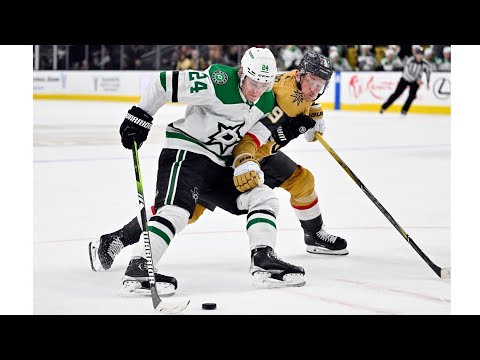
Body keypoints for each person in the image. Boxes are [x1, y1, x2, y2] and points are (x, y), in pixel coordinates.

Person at [89, 47, 306, 296]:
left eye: (264, 84)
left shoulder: (266, 99)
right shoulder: (218, 82)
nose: (256, 90)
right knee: (177, 212)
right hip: (187, 153)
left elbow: (256, 137)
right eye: (253, 82)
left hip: (220, 165)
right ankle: (140, 267)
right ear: (242, 73)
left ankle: (263, 259)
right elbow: (163, 82)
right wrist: (141, 115)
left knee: (263, 196)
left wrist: (271, 142)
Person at [380, 45, 431, 115]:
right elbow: (406, 72)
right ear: (416, 54)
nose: (420, 56)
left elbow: (428, 72)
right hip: (405, 79)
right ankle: (384, 107)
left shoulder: (424, 64)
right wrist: (416, 80)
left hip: (415, 82)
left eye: (421, 55)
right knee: (397, 94)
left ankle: (404, 110)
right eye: (418, 54)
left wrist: (428, 82)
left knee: (412, 96)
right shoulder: (410, 60)